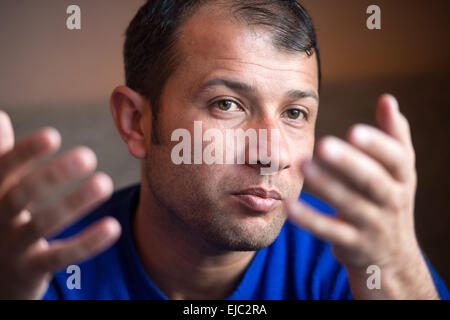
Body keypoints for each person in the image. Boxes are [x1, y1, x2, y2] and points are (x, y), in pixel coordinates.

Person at [0, 0, 448, 300]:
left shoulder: (356, 259)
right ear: (136, 121)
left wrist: (396, 269)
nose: (271, 154)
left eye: (295, 113)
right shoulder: (38, 269)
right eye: (227, 104)